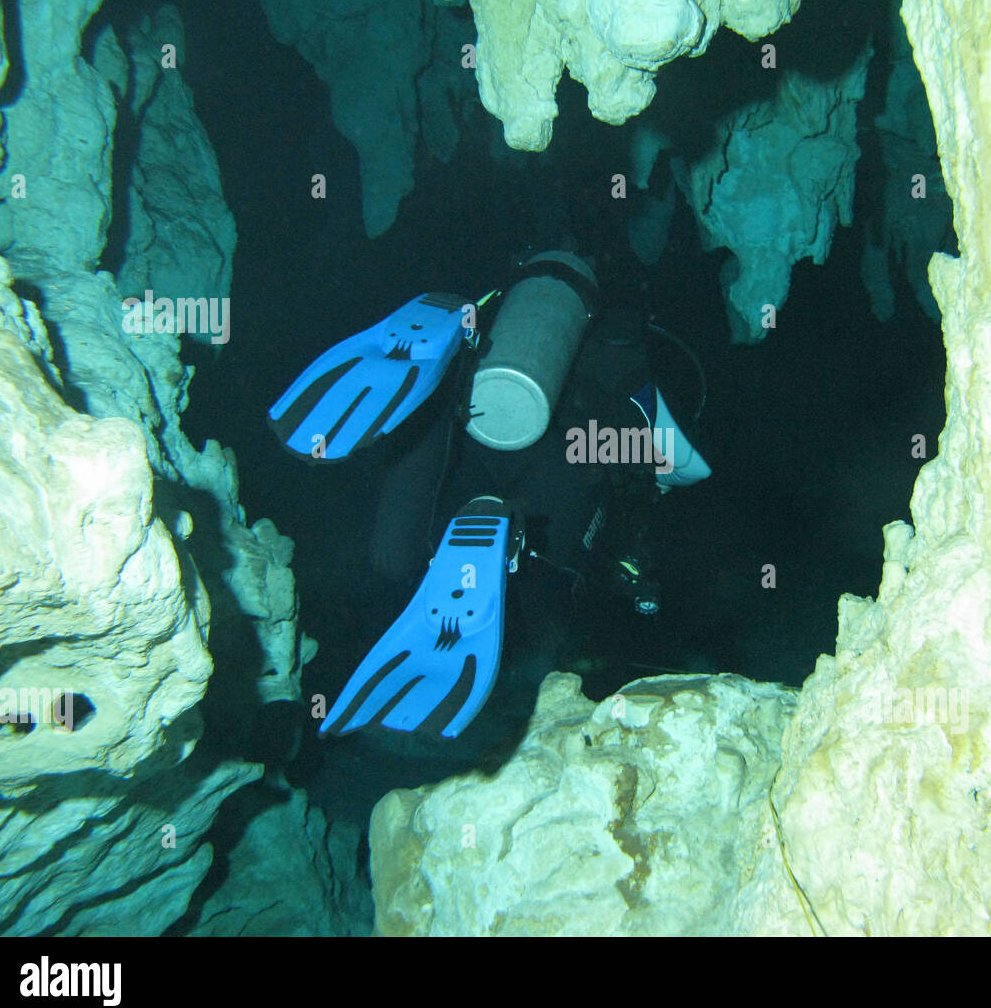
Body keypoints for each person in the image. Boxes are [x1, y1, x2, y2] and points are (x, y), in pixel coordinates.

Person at [268, 251, 711, 739]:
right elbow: (685, 463)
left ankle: (438, 380)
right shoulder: (644, 357)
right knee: (541, 606)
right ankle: (511, 538)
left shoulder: (526, 319)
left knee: (396, 556)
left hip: (482, 413)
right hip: (580, 449)